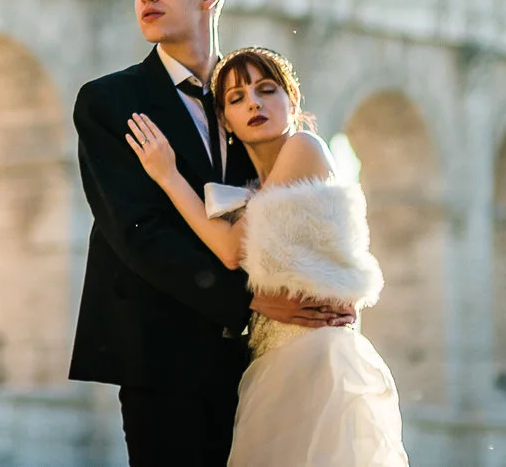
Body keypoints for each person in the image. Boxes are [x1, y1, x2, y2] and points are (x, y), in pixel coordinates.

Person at [70, 0, 357, 466]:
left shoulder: (249, 99)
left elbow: (295, 208)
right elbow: (136, 233)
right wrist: (248, 300)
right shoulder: (108, 101)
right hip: (162, 355)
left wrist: (328, 291)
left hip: (259, 359)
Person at [126, 46, 411, 466]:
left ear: (292, 101)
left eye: (267, 89)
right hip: (270, 361)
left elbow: (229, 250)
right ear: (224, 120)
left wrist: (168, 177)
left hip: (318, 357)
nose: (254, 103)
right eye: (237, 98)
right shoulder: (250, 184)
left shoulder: (305, 148)